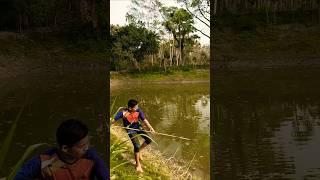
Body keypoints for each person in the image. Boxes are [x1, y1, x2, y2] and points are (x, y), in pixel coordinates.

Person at [15, 119, 108, 180]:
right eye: (82, 146)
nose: (87, 148)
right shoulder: (45, 161)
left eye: (88, 143)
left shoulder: (91, 157)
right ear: (65, 148)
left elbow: (105, 177)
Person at [111, 99, 155, 173]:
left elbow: (144, 120)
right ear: (130, 108)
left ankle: (139, 151)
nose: (137, 108)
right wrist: (110, 123)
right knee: (136, 145)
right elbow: (113, 120)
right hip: (130, 130)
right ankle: (137, 164)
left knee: (149, 140)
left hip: (138, 127)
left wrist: (150, 128)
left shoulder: (138, 110)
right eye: (135, 107)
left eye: (137, 106)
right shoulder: (123, 113)